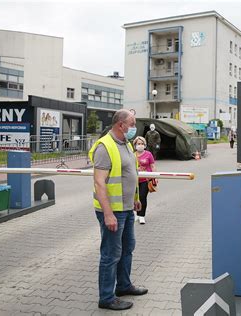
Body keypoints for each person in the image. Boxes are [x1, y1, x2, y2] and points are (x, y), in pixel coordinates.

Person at [89, 109, 148, 311]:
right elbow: (99, 182)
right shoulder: (105, 147)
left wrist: (136, 199)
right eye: (132, 124)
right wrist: (107, 214)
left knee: (127, 248)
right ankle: (106, 297)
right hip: (112, 211)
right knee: (110, 254)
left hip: (127, 208)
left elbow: (131, 173)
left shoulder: (126, 144)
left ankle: (123, 285)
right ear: (121, 125)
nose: (134, 128)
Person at [133, 136, 155, 225]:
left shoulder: (149, 154)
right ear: (135, 145)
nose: (140, 145)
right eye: (138, 144)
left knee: (142, 197)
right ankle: (136, 214)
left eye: (142, 144)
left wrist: (155, 177)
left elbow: (153, 166)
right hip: (134, 180)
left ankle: (142, 216)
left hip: (145, 180)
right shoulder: (132, 155)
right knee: (134, 198)